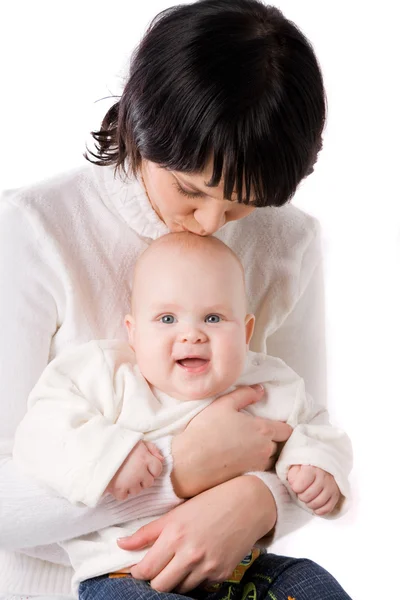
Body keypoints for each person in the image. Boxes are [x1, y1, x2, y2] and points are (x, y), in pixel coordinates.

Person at [0, 0, 352, 598]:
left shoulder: (290, 240)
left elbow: (301, 440)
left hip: (232, 571)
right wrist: (180, 473)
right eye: (190, 188)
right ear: (138, 124)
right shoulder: (32, 231)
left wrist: (257, 497)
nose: (212, 221)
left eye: (244, 201)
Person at [13, 232, 352, 598]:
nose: (191, 335)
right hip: (128, 574)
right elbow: (40, 434)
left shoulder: (269, 382)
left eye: (213, 317)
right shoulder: (106, 376)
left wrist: (313, 465)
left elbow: (316, 429)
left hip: (243, 570)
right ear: (133, 332)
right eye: (167, 318)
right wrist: (111, 455)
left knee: (309, 581)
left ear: (246, 331)